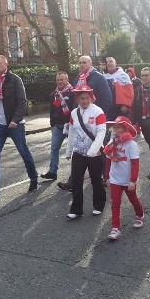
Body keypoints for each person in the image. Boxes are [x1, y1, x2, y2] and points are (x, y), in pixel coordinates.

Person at [0, 55, 38, 201]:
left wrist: (15, 120)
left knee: (24, 152)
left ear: (6, 64)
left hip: (15, 124)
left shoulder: (14, 79)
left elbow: (21, 101)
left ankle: (33, 177)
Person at [58, 56, 112, 191]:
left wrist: (97, 115)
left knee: (100, 151)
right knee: (80, 149)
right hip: (80, 121)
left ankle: (105, 177)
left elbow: (107, 98)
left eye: (84, 62)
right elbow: (74, 100)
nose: (81, 65)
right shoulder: (78, 79)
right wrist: (73, 116)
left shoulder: (98, 78)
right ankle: (73, 181)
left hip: (96, 121)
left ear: (90, 63)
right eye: (79, 62)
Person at [64, 85, 107, 218]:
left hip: (94, 153)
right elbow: (72, 131)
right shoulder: (74, 113)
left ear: (91, 98)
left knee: (96, 180)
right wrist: (69, 150)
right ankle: (76, 209)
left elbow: (101, 132)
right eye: (82, 98)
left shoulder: (98, 111)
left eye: (87, 98)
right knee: (76, 180)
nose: (85, 101)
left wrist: (93, 150)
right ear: (77, 99)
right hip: (79, 152)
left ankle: (98, 205)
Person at [103, 116, 144, 240]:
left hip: (128, 179)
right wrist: (107, 176)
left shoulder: (131, 145)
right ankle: (115, 228)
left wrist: (133, 180)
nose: (117, 130)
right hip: (115, 178)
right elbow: (108, 161)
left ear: (126, 128)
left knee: (133, 199)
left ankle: (140, 215)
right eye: (115, 127)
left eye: (120, 127)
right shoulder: (111, 143)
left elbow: (135, 163)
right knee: (115, 202)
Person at [41, 71, 75, 181]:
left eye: (62, 79)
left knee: (74, 151)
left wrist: (72, 123)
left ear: (67, 80)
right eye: (58, 80)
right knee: (54, 149)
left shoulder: (73, 93)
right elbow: (52, 111)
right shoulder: (53, 95)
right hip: (57, 126)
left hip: (70, 126)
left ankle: (74, 176)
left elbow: (75, 110)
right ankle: (52, 171)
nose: (59, 82)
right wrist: (52, 124)